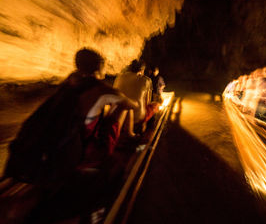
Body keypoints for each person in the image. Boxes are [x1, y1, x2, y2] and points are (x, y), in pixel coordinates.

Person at [5, 47, 138, 184]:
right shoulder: (102, 90)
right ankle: (127, 136)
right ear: (100, 67)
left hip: (51, 150)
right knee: (120, 107)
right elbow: (132, 105)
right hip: (77, 154)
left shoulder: (68, 85)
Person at [113, 60, 159, 133]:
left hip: (117, 114)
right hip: (137, 116)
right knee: (156, 105)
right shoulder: (147, 80)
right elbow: (147, 102)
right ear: (141, 70)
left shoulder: (119, 77)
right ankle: (145, 127)